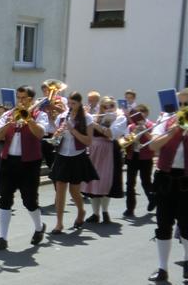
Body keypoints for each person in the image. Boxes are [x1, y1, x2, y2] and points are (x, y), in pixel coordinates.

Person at [0, 86, 48, 251]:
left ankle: (39, 227)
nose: (20, 101)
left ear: (31, 99)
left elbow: (40, 134)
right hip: (8, 161)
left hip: (30, 162)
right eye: (19, 97)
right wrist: (9, 122)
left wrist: (28, 118)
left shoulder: (40, 115)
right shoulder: (9, 114)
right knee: (5, 199)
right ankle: (2, 238)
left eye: (24, 98)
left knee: (29, 200)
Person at [146, 88, 188, 283]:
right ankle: (162, 268)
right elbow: (153, 146)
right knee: (163, 224)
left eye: (187, 104)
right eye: (181, 104)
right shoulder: (165, 120)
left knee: (187, 225)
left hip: (186, 180)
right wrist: (173, 131)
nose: (183, 108)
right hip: (165, 178)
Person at [47, 92, 97, 233]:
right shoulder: (63, 116)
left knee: (74, 190)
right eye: (69, 103)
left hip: (77, 156)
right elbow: (55, 135)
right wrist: (57, 134)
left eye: (73, 104)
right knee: (60, 189)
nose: (70, 106)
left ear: (80, 103)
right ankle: (59, 223)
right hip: (62, 155)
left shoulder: (87, 118)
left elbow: (88, 141)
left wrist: (72, 130)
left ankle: (81, 211)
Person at [82, 96, 127, 224]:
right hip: (94, 151)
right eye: (105, 106)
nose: (108, 108)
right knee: (93, 182)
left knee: (105, 181)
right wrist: (84, 117)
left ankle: (105, 211)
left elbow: (111, 134)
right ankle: (95, 214)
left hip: (109, 151)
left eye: (111, 105)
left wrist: (92, 123)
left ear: (115, 106)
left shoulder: (120, 117)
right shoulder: (95, 116)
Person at [122, 105, 155, 217]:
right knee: (130, 183)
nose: (139, 115)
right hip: (133, 156)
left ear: (146, 113)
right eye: (137, 113)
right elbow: (126, 141)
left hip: (146, 157)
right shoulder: (131, 126)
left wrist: (144, 129)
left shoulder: (151, 125)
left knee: (146, 182)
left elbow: (153, 140)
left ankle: (152, 199)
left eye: (142, 112)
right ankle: (130, 208)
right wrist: (135, 132)